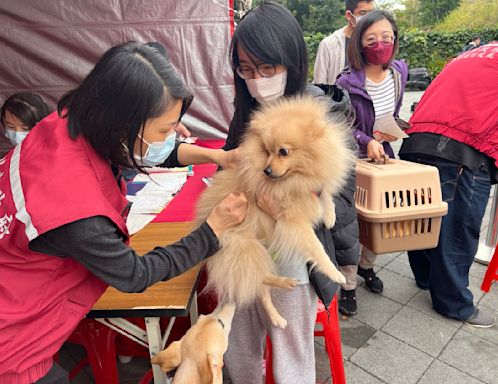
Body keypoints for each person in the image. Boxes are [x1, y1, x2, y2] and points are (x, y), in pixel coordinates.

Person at [0, 41, 252, 384]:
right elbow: (134, 275)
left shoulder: (69, 122)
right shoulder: (75, 205)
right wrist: (212, 229)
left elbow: (144, 151)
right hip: (13, 339)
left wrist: (217, 157)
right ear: (124, 122)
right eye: (165, 130)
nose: (171, 137)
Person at [222, 2, 359, 382]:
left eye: (268, 68)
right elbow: (233, 165)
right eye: (246, 69)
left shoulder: (321, 114)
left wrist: (288, 206)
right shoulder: (247, 109)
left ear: (292, 62)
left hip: (297, 256)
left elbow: (343, 203)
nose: (257, 78)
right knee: (237, 336)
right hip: (248, 242)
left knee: (289, 346)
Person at [398, 41, 498, 328]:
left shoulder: (473, 55)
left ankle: (425, 277)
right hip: (463, 148)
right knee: (458, 228)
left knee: (422, 215)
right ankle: (453, 303)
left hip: (417, 140)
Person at [336, 10, 408, 294]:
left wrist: (392, 131)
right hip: (354, 160)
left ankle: (367, 266)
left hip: (383, 157)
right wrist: (367, 140)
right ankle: (348, 284)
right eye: (372, 39)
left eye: (386, 37)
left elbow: (394, 112)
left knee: (380, 218)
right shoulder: (347, 81)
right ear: (359, 43)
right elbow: (341, 126)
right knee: (350, 224)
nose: (380, 44)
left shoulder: (398, 73)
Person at [313, 0, 374, 85]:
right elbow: (319, 84)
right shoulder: (328, 44)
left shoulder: (374, 43)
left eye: (371, 13)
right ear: (349, 15)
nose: (368, 18)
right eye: (363, 13)